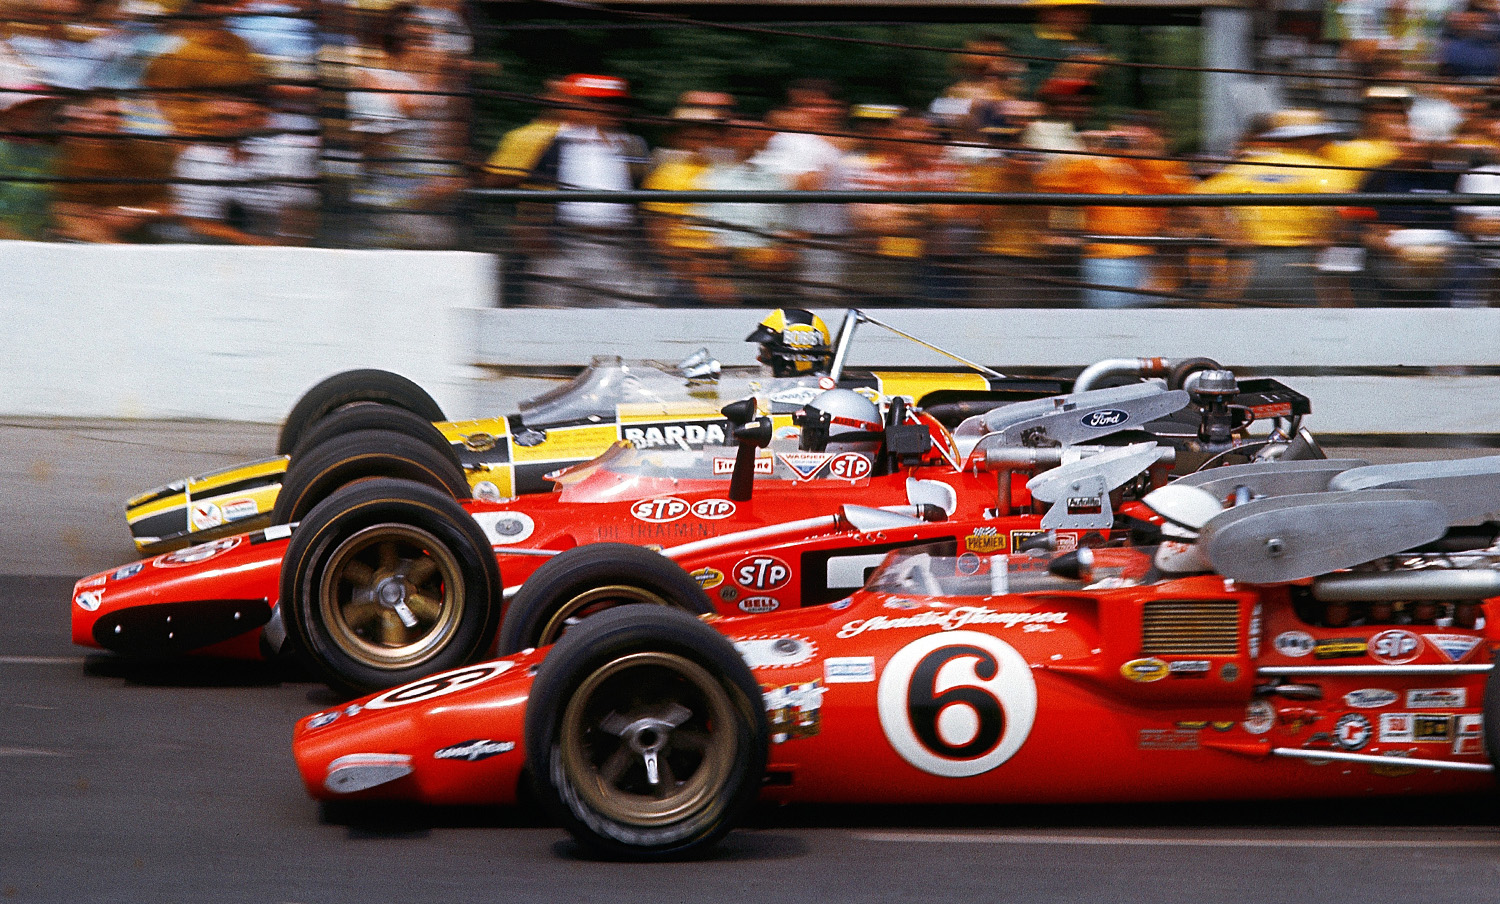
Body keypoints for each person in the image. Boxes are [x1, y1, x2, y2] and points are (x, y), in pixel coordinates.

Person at [513, 73, 651, 307]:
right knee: (554, 314)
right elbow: (533, 193)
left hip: (619, 249)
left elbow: (644, 193)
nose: (605, 110)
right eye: (595, 103)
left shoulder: (634, 145)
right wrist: (534, 233)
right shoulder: (554, 142)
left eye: (613, 104)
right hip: (563, 245)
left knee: (628, 312)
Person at [1035, 117, 1191, 308]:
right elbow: (1048, 182)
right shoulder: (1096, 166)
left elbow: (1184, 199)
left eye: (1144, 136)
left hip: (1153, 258)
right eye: (1128, 134)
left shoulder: (1162, 167)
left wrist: (1144, 157)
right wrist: (1090, 149)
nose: (1134, 140)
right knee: (1110, 323)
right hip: (1108, 260)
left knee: (1151, 325)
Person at [1194, 110, 1346, 306]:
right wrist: (1330, 236)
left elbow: (1198, 197)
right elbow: (1348, 208)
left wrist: (1230, 234)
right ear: (1309, 138)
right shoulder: (1327, 170)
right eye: (1322, 136)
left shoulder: (1246, 167)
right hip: (1305, 261)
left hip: (1248, 262)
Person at [346, 1, 464, 249]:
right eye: (422, 39)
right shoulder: (372, 80)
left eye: (430, 39)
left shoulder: (441, 93)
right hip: (389, 207)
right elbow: (375, 151)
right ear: (403, 43)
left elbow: (449, 148)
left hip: (430, 205)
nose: (434, 49)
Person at [754, 79, 855, 301]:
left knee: (824, 308)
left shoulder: (836, 145)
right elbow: (799, 185)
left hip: (832, 243)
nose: (819, 111)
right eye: (810, 104)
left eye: (827, 105)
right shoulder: (790, 140)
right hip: (797, 243)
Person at [641, 95, 734, 304]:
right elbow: (659, 232)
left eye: (709, 136)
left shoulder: (726, 170)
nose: (701, 142)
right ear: (680, 138)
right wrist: (693, 277)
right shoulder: (667, 174)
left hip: (724, 267)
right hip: (684, 271)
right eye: (694, 136)